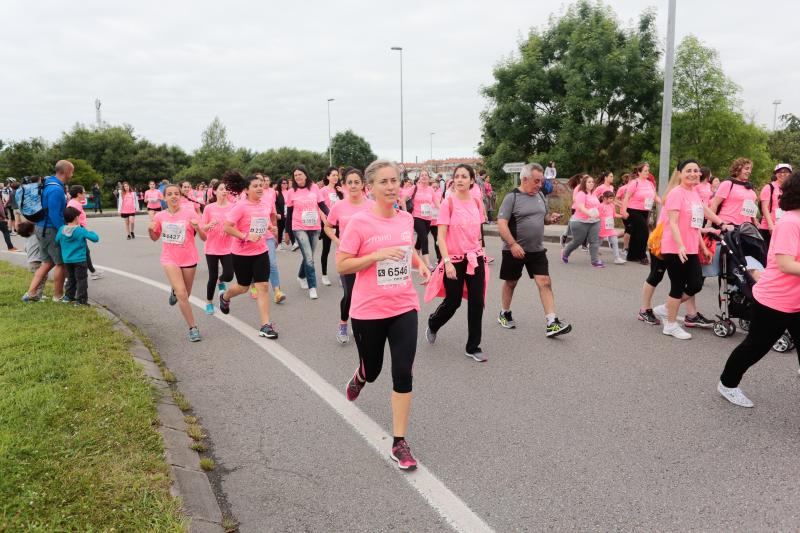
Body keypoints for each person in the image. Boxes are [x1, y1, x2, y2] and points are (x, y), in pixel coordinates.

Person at [337, 159, 431, 470]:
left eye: (395, 181)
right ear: (370, 188)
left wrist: (421, 265)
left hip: (404, 305)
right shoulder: (359, 223)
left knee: (403, 371)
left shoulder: (405, 219)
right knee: (375, 368)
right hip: (368, 310)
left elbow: (407, 249)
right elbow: (343, 264)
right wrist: (375, 255)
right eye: (384, 182)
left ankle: (399, 441)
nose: (391, 186)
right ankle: (362, 374)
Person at [717, 171, 800, 407]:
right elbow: (785, 263)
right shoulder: (790, 223)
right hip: (775, 300)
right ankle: (727, 384)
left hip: (797, 300)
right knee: (755, 347)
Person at [654, 159, 729, 340]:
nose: (693, 173)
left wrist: (719, 226)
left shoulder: (694, 193)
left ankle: (666, 308)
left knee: (696, 283)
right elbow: (672, 222)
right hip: (674, 248)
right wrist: (680, 245)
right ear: (680, 173)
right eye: (688, 170)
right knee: (678, 286)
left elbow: (699, 218)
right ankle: (670, 325)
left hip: (691, 247)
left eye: (695, 170)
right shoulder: (676, 194)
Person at [496, 163, 571, 337]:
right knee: (511, 282)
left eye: (541, 181)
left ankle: (552, 322)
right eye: (536, 181)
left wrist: (549, 218)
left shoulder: (540, 196)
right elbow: (501, 223)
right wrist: (513, 244)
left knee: (544, 281)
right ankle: (504, 313)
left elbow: (542, 217)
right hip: (514, 249)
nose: (539, 185)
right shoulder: (512, 198)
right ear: (524, 179)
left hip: (536, 250)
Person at [425, 164, 488, 362]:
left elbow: (477, 232)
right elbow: (440, 237)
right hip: (453, 260)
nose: (460, 179)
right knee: (453, 302)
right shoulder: (448, 203)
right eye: (457, 176)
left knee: (478, 302)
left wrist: (480, 251)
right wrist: (447, 262)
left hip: (474, 257)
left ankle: (473, 346)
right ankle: (434, 323)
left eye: (464, 176)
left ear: (472, 180)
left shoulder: (477, 202)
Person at [219, 173, 279, 338]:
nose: (260, 188)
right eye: (255, 186)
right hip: (241, 253)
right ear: (246, 189)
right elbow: (227, 227)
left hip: (261, 251)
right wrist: (245, 236)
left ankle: (265, 325)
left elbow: (262, 224)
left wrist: (271, 229)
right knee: (243, 287)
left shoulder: (265, 205)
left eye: (261, 185)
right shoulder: (241, 206)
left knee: (263, 287)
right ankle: (225, 296)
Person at [149, 183, 207, 342]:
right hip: (170, 258)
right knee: (182, 293)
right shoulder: (160, 216)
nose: (174, 196)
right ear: (164, 197)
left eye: (177, 193)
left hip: (189, 258)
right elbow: (154, 238)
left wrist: (198, 228)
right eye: (170, 194)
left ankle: (174, 291)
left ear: (181, 196)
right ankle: (193, 328)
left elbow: (204, 237)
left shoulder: (190, 212)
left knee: (185, 294)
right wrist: (150, 229)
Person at [325, 168, 373, 344]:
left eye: (356, 182)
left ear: (363, 185)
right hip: (346, 258)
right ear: (344, 185)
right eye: (349, 182)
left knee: (365, 293)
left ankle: (358, 322)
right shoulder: (339, 206)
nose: (353, 185)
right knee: (350, 293)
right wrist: (339, 242)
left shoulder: (371, 206)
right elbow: (328, 227)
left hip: (367, 257)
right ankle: (343, 323)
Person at [24, 160, 72, 303]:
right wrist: (63, 230)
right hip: (50, 229)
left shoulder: (48, 182)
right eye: (72, 170)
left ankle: (31, 293)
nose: (72, 173)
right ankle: (58, 296)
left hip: (40, 227)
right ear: (67, 171)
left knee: (46, 263)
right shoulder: (56, 190)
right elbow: (54, 214)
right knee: (60, 263)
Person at [285, 165, 329, 300]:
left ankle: (301, 276)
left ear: (305, 175)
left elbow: (322, 205)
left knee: (308, 255)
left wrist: (332, 216)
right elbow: (290, 214)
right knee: (309, 258)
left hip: (315, 227)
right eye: (295, 175)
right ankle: (312, 287)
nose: (298, 177)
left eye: (300, 174)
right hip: (299, 227)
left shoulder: (314, 187)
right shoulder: (291, 192)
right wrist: (287, 232)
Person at [200, 180, 235, 315]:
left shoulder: (233, 207)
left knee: (229, 275)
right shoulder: (209, 208)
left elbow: (236, 224)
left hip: (228, 246)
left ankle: (221, 280)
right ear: (214, 191)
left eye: (226, 189)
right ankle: (209, 302)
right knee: (212, 276)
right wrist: (210, 225)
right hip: (212, 247)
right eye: (221, 189)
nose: (224, 191)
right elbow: (203, 226)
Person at [55, 206, 99, 306]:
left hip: (67, 260)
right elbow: (95, 238)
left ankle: (68, 296)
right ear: (76, 218)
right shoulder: (80, 230)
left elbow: (57, 240)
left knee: (71, 278)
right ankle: (81, 300)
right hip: (80, 260)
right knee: (81, 280)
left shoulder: (61, 229)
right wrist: (90, 232)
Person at [255, 173, 286, 304]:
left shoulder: (269, 196)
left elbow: (273, 216)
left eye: (262, 181)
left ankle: (277, 291)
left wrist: (276, 235)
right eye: (257, 182)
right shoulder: (245, 199)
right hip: (253, 238)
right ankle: (253, 284)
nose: (261, 184)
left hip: (267, 236)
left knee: (272, 263)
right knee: (255, 265)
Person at [621, 162, 661, 265]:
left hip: (645, 210)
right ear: (639, 172)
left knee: (635, 233)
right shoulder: (635, 183)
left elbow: (655, 197)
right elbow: (627, 197)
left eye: (648, 170)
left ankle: (631, 255)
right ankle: (642, 255)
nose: (647, 172)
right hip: (633, 210)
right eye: (645, 171)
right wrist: (624, 211)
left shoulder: (650, 184)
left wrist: (664, 202)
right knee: (644, 232)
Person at [562, 175, 604, 267]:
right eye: (589, 182)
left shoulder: (593, 194)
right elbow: (581, 207)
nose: (591, 183)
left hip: (594, 221)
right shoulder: (581, 194)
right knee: (577, 241)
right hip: (580, 222)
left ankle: (595, 261)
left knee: (594, 241)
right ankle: (565, 253)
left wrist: (600, 213)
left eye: (592, 182)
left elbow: (596, 206)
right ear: (584, 183)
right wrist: (590, 214)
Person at [67, 185, 103, 280]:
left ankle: (92, 271)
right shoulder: (75, 204)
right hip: (78, 229)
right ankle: (71, 276)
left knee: (85, 251)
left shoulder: (74, 202)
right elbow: (74, 219)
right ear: (78, 194)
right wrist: (81, 230)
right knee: (83, 252)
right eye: (83, 192)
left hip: (77, 229)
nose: (85, 194)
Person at [408, 169, 441, 270]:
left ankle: (414, 258)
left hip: (428, 218)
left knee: (420, 239)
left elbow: (436, 203)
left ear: (428, 177)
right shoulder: (414, 188)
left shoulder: (431, 189)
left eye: (425, 175)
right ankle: (427, 263)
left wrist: (444, 212)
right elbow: (403, 198)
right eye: (422, 175)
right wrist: (405, 212)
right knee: (424, 239)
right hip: (417, 217)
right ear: (419, 177)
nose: (424, 177)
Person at [758, 163, 792, 248]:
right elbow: (764, 207)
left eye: (785, 172)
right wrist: (770, 225)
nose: (782, 174)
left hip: (785, 226)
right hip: (769, 227)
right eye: (779, 172)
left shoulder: (791, 188)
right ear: (775, 174)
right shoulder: (769, 187)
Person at [318, 167, 342, 286]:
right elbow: (320, 208)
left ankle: (341, 273)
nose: (335, 177)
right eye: (333, 175)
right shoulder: (323, 191)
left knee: (341, 249)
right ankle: (324, 275)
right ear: (327, 177)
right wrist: (326, 222)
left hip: (340, 224)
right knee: (326, 249)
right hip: (328, 224)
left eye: (337, 175)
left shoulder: (339, 190)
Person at [18, 221, 47, 301]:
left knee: (40, 278)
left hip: (31, 262)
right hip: (36, 262)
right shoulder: (35, 237)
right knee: (42, 279)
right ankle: (37, 296)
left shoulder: (27, 239)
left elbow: (26, 249)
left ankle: (38, 294)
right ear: (31, 231)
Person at [598, 191, 625, 264]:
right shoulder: (600, 206)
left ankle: (617, 258)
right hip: (602, 228)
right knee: (599, 242)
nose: (611, 200)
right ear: (604, 198)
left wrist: (622, 216)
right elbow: (597, 216)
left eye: (612, 198)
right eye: (610, 198)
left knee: (615, 241)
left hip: (610, 228)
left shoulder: (612, 206)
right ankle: (593, 254)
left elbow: (614, 214)